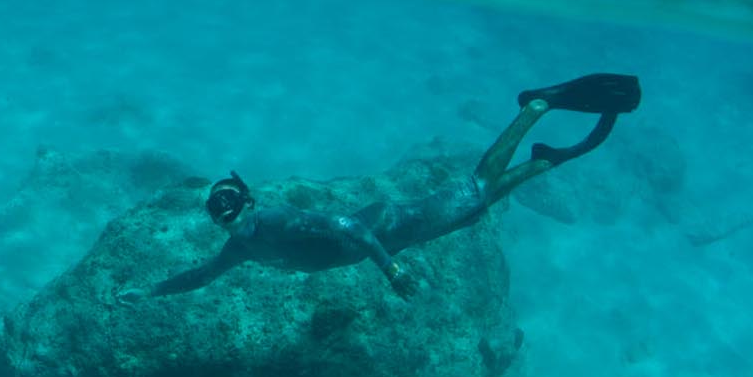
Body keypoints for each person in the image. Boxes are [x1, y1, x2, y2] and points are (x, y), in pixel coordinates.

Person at [121, 74, 643, 302]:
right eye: (228, 223)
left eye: (239, 216)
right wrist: (152, 289)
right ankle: (542, 164)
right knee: (474, 209)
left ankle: (534, 110)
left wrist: (391, 271)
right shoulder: (242, 245)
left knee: (475, 191)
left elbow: (346, 226)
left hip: (389, 226)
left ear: (250, 202)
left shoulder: (275, 220)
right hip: (387, 233)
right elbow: (204, 274)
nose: (239, 226)